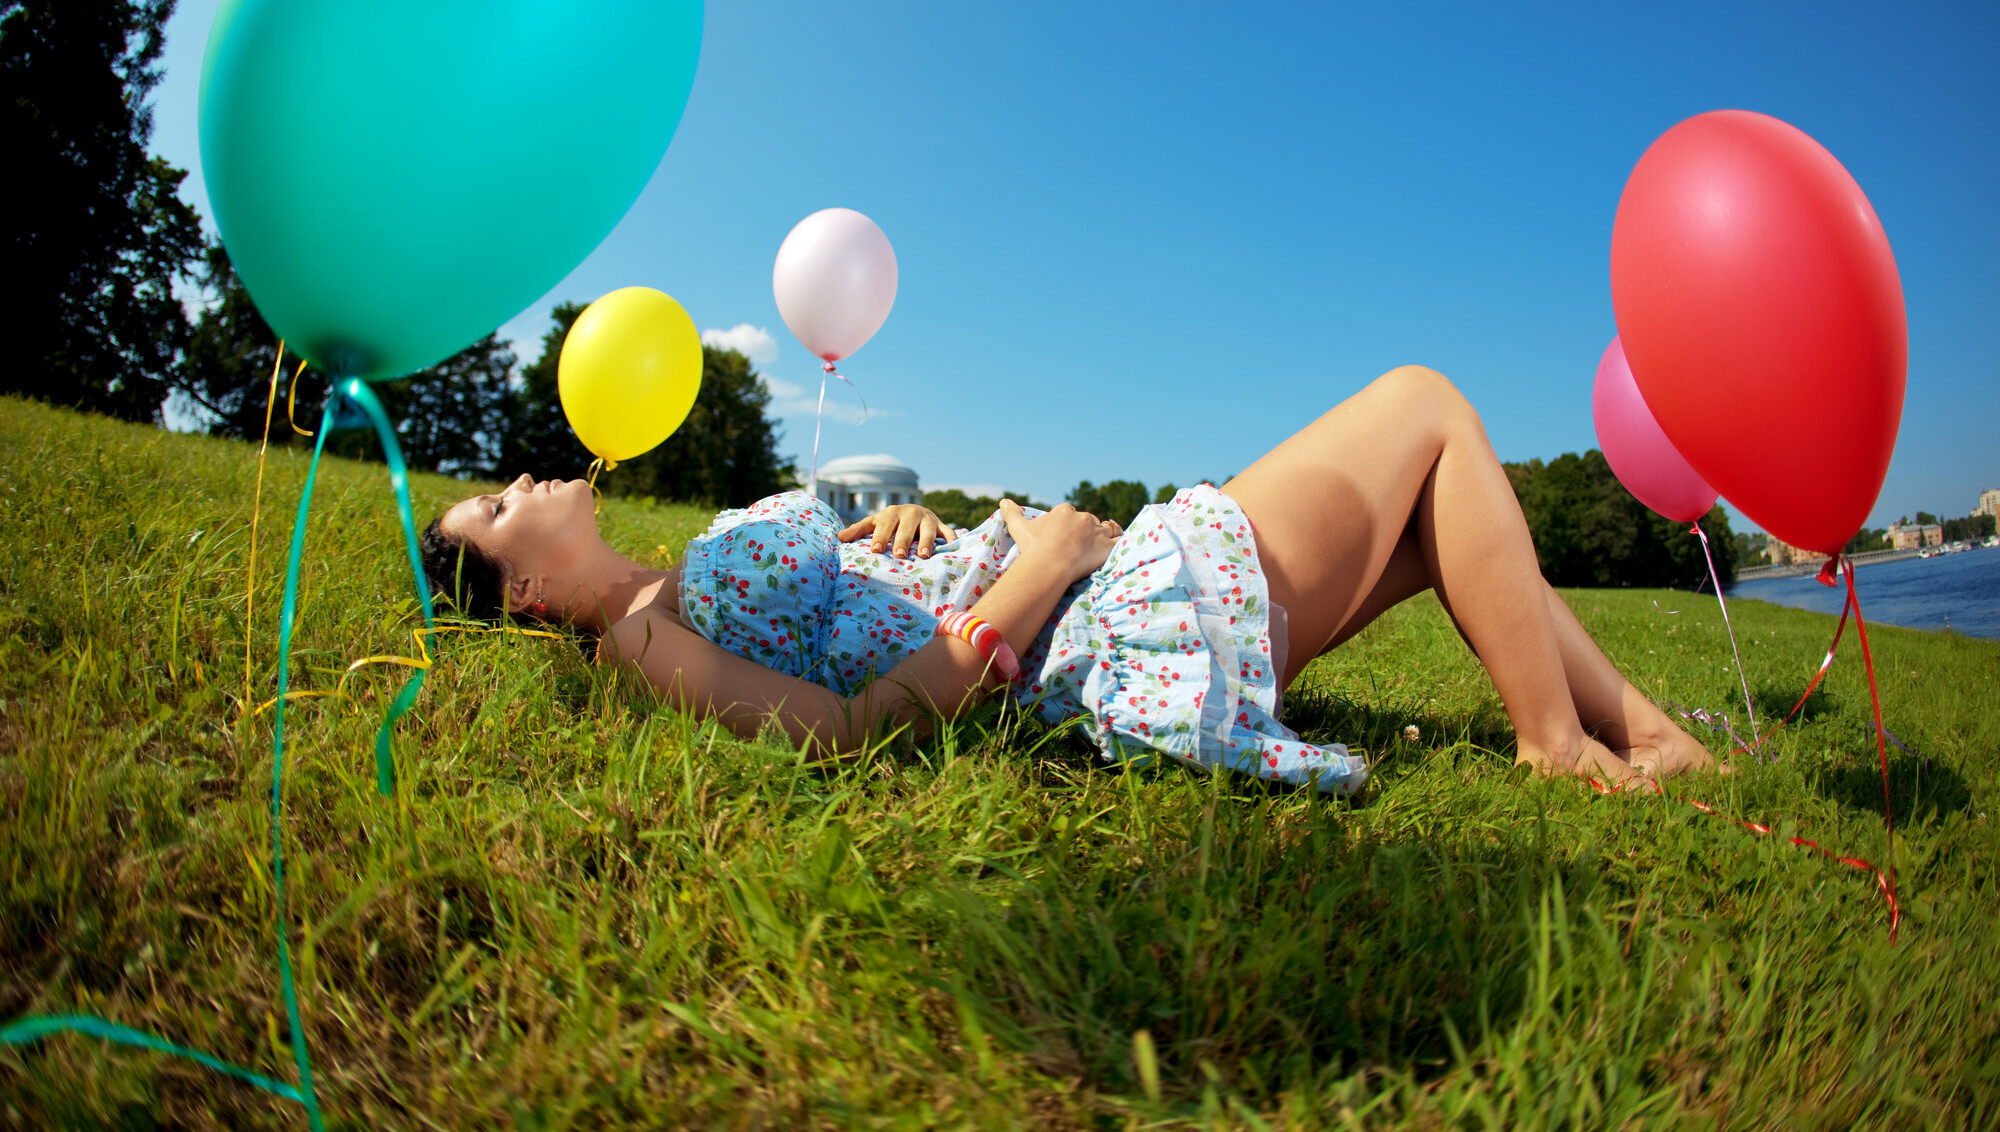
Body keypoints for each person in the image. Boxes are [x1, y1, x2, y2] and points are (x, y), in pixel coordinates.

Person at [421, 367, 1719, 792]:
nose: (521, 484)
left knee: (1442, 522)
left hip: (1080, 593)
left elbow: (836, 624)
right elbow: (844, 731)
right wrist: (1031, 572)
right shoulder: (639, 637)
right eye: (496, 509)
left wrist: (917, 531)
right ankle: (1557, 740)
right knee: (1426, 404)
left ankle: (1642, 728)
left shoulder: (670, 578)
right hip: (1099, 625)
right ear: (525, 595)